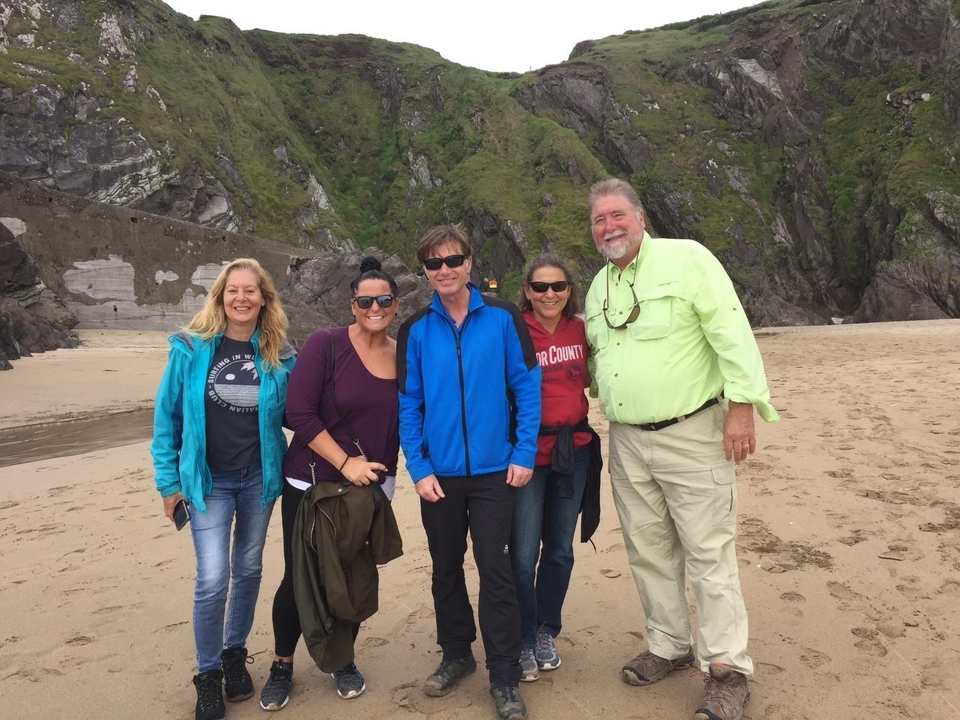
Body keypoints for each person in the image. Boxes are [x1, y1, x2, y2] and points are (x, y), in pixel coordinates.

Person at [583, 179, 778, 720]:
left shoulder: (688, 258)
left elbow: (731, 330)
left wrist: (741, 407)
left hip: (693, 432)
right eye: (599, 220)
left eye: (617, 215)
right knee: (648, 549)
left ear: (640, 216)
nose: (609, 227)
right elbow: (598, 364)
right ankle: (668, 643)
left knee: (708, 552)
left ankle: (727, 668)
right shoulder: (598, 286)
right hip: (625, 440)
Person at [397, 224, 541, 720]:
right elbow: (408, 404)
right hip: (438, 474)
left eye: (452, 260)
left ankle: (504, 675)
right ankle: (456, 653)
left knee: (495, 569)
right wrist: (418, 467)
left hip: (493, 471)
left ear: (469, 262)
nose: (444, 270)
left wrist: (523, 453)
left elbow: (526, 386)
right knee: (444, 567)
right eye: (433, 263)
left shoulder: (503, 318)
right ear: (425, 270)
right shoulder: (415, 330)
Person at [151, 258, 296, 720]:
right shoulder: (191, 349)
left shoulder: (279, 353)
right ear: (219, 296)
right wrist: (168, 482)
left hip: (259, 478)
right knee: (213, 578)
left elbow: (303, 411)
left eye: (251, 291)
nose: (241, 298)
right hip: (207, 481)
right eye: (233, 290)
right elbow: (166, 420)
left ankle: (235, 653)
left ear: (264, 298)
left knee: (249, 569)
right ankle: (207, 675)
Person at [258, 256, 403, 711]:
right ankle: (282, 664)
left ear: (396, 305)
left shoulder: (403, 355)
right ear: (352, 304)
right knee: (300, 577)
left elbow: (411, 418)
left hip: (370, 489)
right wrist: (346, 462)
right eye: (365, 300)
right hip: (312, 484)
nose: (374, 307)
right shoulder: (326, 344)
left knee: (353, 576)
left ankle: (342, 660)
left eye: (383, 300)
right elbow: (298, 414)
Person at [509, 253, 600, 683]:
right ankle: (523, 636)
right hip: (527, 455)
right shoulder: (513, 329)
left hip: (575, 450)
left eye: (558, 287)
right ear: (527, 291)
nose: (549, 294)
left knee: (560, 548)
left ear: (569, 292)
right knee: (523, 553)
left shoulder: (582, 330)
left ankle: (547, 630)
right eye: (540, 287)